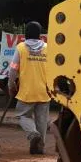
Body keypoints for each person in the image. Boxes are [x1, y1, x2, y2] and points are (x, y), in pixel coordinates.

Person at [8, 21, 50, 154]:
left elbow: (13, 69)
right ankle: (40, 148)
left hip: (27, 92)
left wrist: (11, 85)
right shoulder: (48, 48)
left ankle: (33, 134)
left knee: (22, 115)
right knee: (42, 121)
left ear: (26, 34)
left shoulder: (21, 48)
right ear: (40, 35)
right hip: (44, 91)